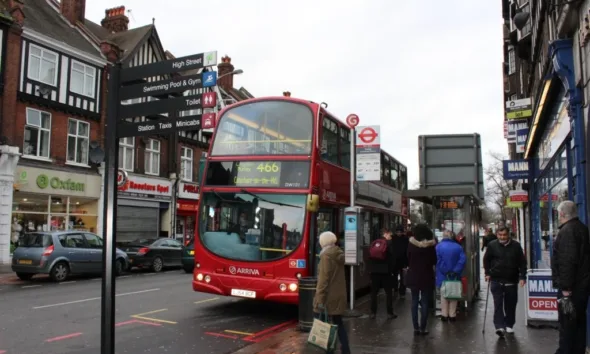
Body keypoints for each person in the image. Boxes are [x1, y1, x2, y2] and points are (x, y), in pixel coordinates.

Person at [552, 201, 590, 354]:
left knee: (567, 325)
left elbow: (568, 261)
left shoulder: (567, 231)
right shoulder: (582, 228)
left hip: (571, 290)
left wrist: (566, 288)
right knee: (578, 323)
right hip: (581, 286)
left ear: (561, 214)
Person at [483, 226, 527, 338]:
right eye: (500, 235)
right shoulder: (492, 245)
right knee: (498, 304)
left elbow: (522, 262)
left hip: (511, 280)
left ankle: (509, 324)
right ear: (497, 234)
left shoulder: (516, 246)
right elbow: (486, 260)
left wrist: (522, 277)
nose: (502, 237)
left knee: (510, 304)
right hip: (496, 279)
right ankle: (499, 326)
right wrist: (487, 273)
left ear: (509, 235)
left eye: (504, 235)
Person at [313, 231, 351, 354]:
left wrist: (319, 301)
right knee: (338, 324)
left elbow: (323, 280)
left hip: (329, 297)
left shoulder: (326, 256)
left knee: (325, 325)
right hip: (338, 295)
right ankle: (346, 350)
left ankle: (329, 350)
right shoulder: (337, 253)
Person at [405, 224, 437, 335]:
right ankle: (423, 327)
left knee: (414, 301)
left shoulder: (411, 244)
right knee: (424, 301)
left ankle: (415, 328)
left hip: (413, 275)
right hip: (426, 276)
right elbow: (434, 261)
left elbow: (408, 258)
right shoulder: (431, 246)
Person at [436, 230, 466, 322]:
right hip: (455, 275)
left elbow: (438, 260)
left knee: (444, 295)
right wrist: (455, 270)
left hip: (443, 275)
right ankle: (452, 315)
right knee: (454, 294)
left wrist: (446, 270)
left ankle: (444, 315)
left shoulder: (438, 247)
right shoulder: (458, 247)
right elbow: (462, 260)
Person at [368, 228, 397, 319]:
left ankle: (373, 312)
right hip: (386, 272)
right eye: (389, 234)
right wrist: (392, 270)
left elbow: (370, 257)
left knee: (374, 293)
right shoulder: (389, 244)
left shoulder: (374, 243)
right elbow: (392, 259)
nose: (390, 236)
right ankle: (389, 313)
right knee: (388, 293)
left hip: (374, 271)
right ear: (386, 234)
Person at [392, 225, 409, 299]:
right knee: (398, 277)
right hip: (399, 261)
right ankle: (397, 290)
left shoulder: (394, 238)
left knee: (401, 277)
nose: (399, 233)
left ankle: (401, 291)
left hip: (401, 261)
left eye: (400, 232)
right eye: (398, 232)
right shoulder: (405, 239)